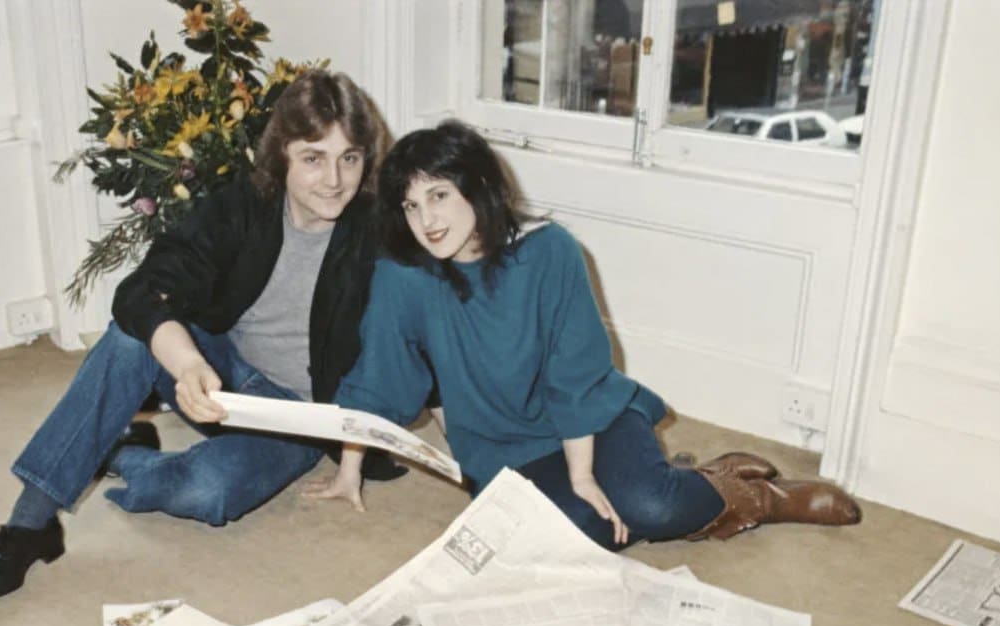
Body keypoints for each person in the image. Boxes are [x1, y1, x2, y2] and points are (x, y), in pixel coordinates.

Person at [307, 120, 861, 550]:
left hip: (588, 418)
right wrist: (349, 470)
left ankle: (757, 498)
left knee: (649, 507)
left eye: (439, 195)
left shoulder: (549, 252)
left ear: (478, 189)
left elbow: (574, 375)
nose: (425, 220)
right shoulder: (404, 275)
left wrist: (583, 475)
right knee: (573, 539)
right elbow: (379, 373)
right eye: (410, 204)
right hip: (498, 449)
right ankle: (676, 481)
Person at [0, 70, 403, 603]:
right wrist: (189, 363)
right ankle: (29, 526)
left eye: (349, 158)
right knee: (133, 337)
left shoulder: (379, 233)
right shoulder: (242, 206)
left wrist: (356, 457)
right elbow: (144, 289)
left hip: (299, 415)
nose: (333, 179)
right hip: (220, 371)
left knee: (209, 491)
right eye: (313, 158)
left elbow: (398, 351)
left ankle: (121, 453)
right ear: (282, 154)